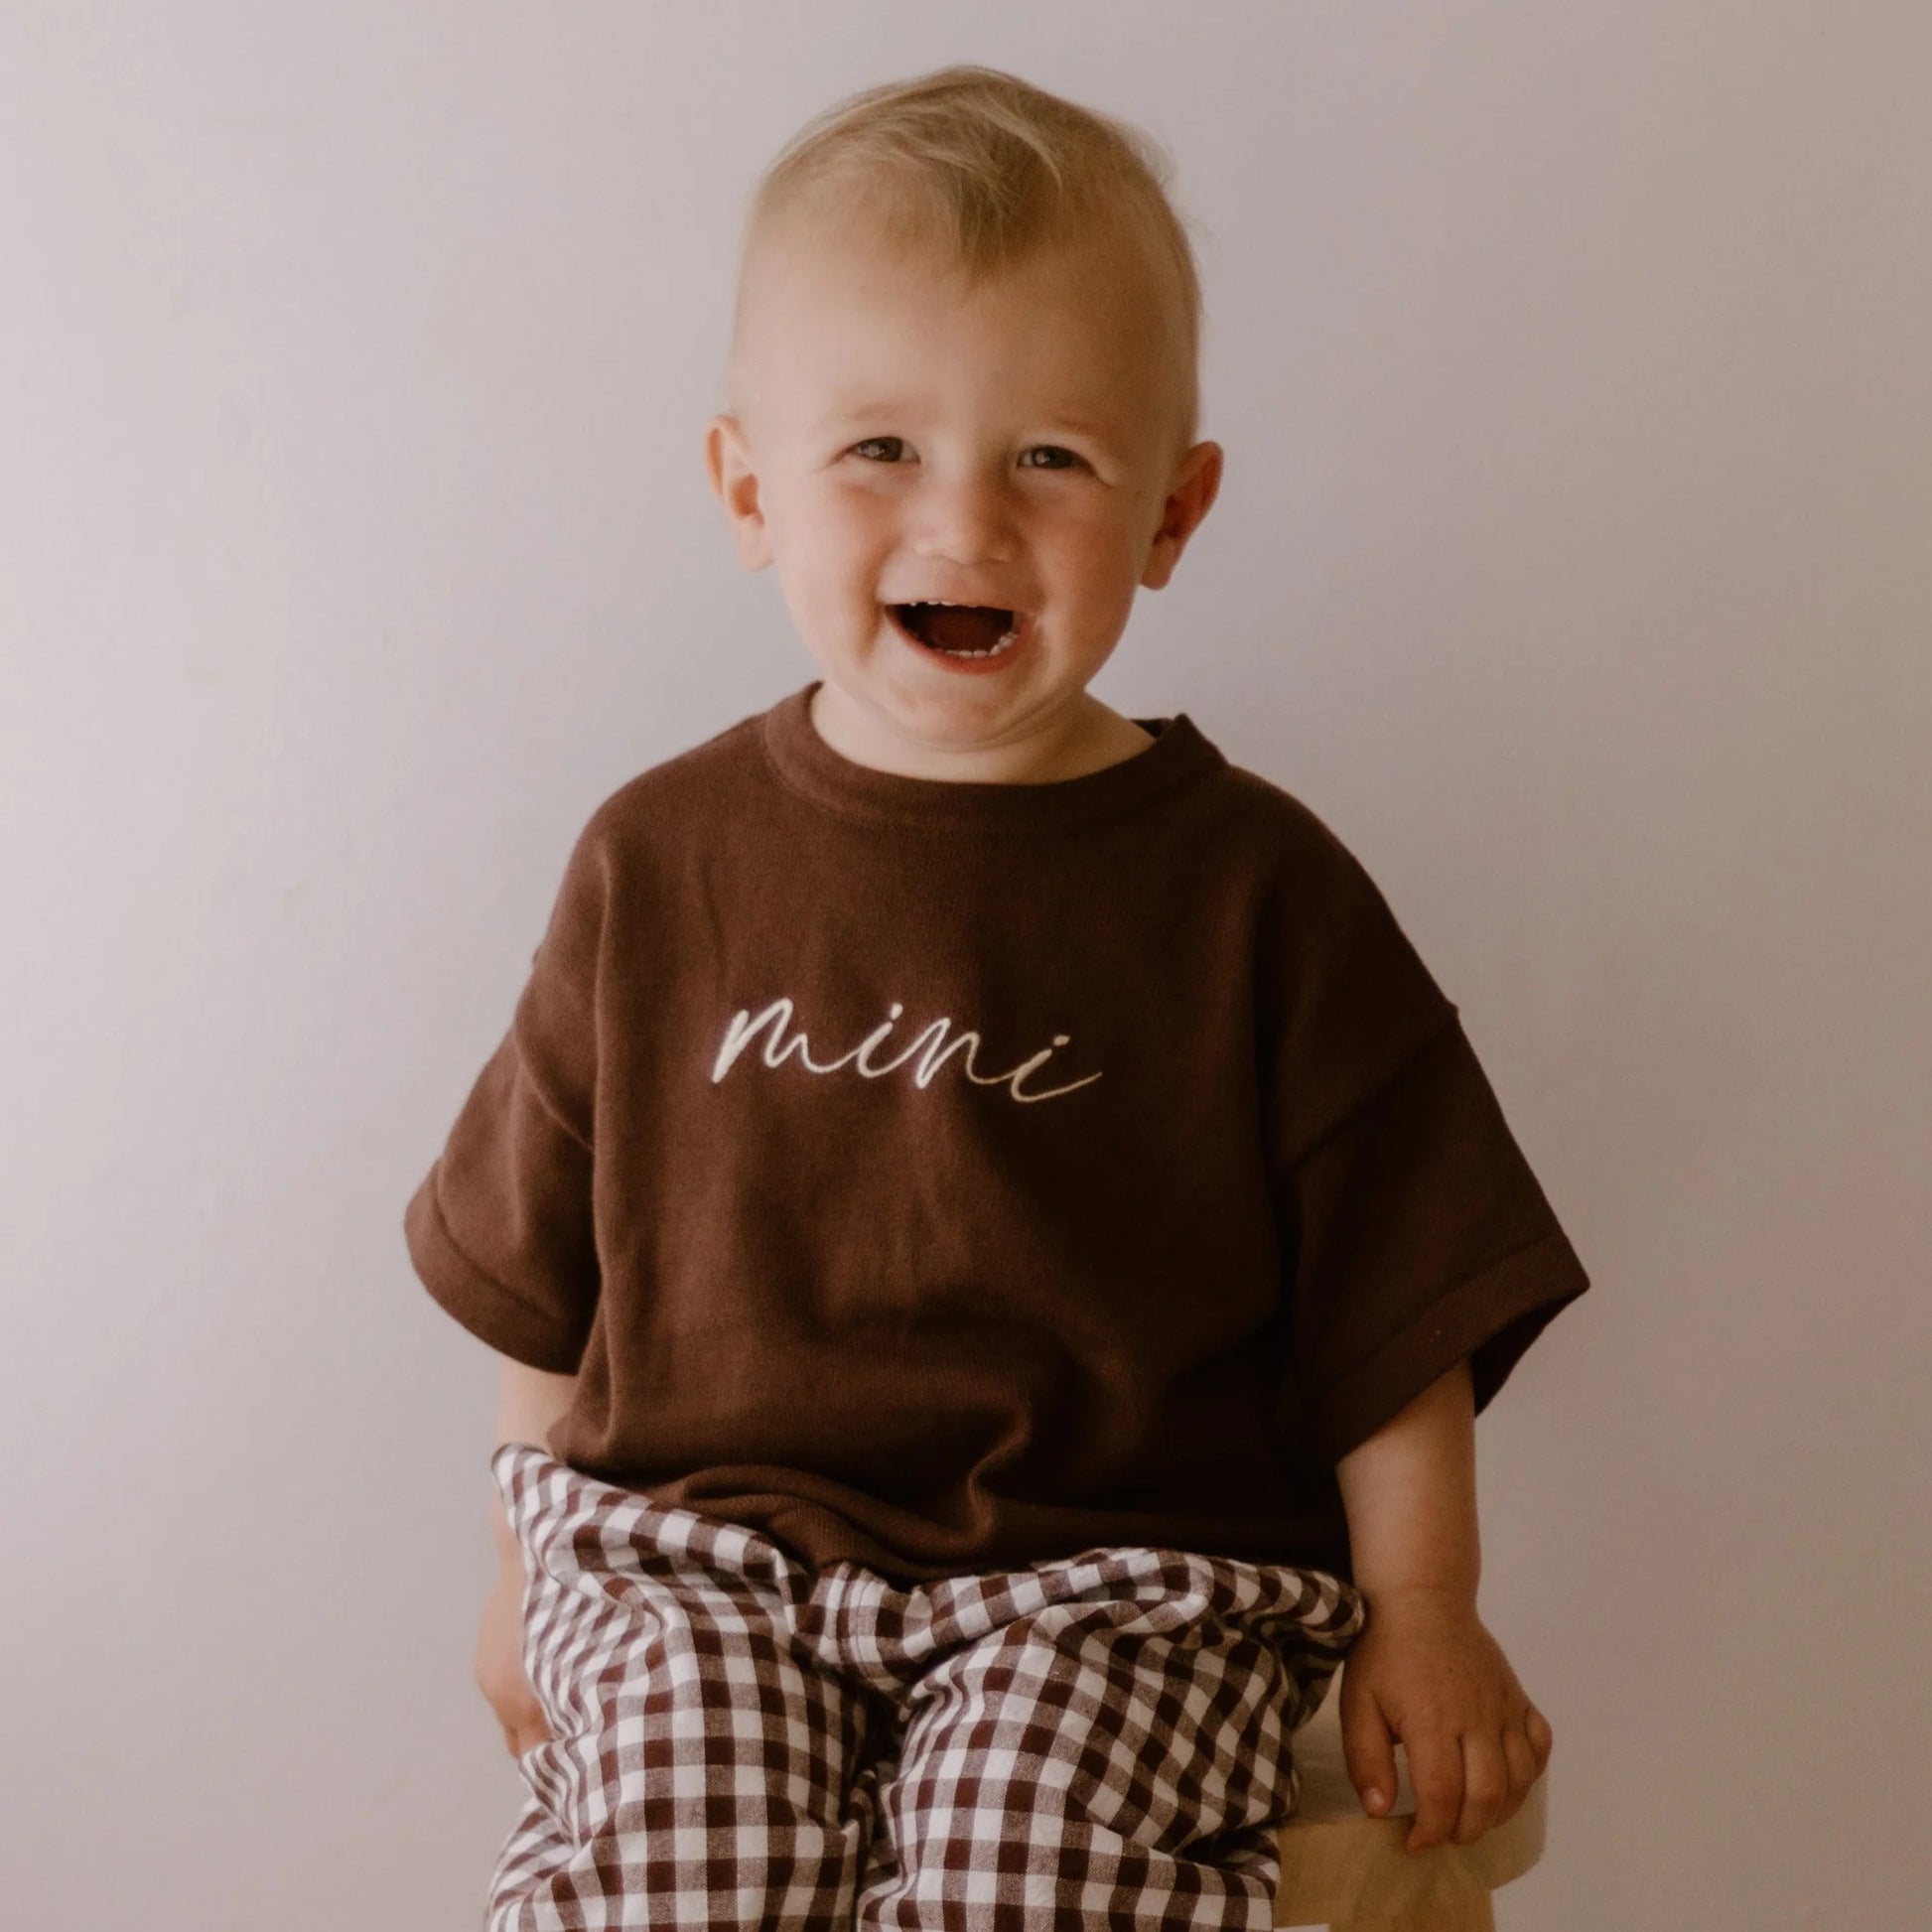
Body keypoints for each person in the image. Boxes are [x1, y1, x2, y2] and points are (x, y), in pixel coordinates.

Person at [403, 63, 1590, 1931]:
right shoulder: (657, 859)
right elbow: (537, 1267)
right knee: (667, 1858)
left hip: (1113, 1578)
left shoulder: (1254, 890)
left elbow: (1399, 1297)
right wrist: (515, 1559)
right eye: (878, 449)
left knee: (1036, 1875)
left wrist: (1425, 1607)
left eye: (1050, 456)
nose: (961, 523)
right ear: (747, 489)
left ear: (1171, 512)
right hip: (701, 1551)